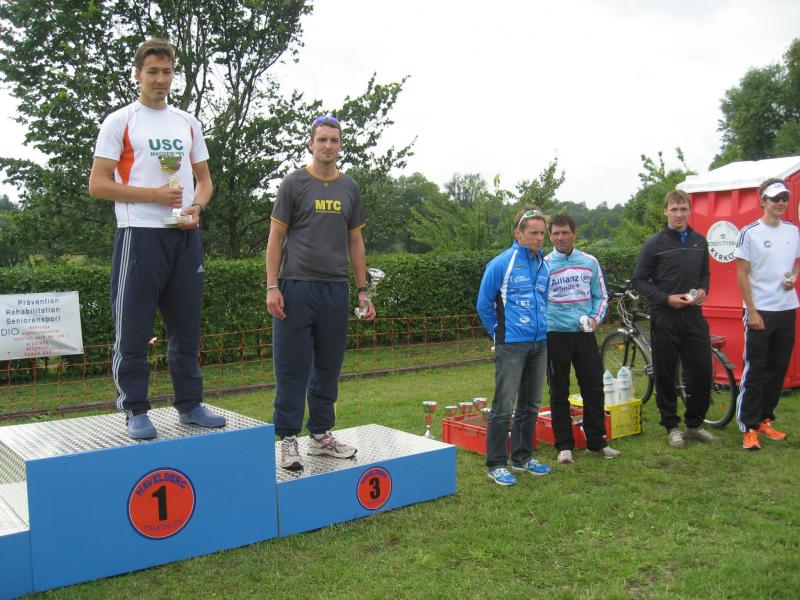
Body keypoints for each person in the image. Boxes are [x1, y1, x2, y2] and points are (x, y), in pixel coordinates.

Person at [88, 38, 225, 439]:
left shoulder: (187, 122)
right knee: (132, 329)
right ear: (138, 75)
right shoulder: (120, 121)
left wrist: (196, 207)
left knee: (186, 329)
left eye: (167, 72)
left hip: (184, 236)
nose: (160, 79)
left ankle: (190, 404)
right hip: (139, 235)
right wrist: (154, 196)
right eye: (152, 72)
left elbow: (204, 181)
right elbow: (98, 184)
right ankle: (134, 408)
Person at [266, 115, 375, 471]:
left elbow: (355, 242)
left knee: (328, 367)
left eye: (334, 140)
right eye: (322, 139)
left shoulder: (350, 188)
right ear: (311, 143)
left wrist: (362, 291)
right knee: (292, 368)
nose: (328, 145)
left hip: (334, 289)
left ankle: (321, 434)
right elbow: (276, 238)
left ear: (341, 145)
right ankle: (288, 438)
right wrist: (272, 286)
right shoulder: (293, 183)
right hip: (295, 287)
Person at [632, 189, 717, 448]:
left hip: (693, 317)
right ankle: (671, 426)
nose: (679, 214)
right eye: (674, 209)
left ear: (689, 210)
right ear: (665, 211)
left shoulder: (699, 241)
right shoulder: (654, 244)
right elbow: (639, 280)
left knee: (702, 371)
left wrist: (703, 290)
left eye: (683, 209)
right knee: (665, 373)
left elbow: (705, 274)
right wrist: (666, 298)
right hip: (665, 317)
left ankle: (694, 425)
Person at [477, 207, 552, 486]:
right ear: (518, 233)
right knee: (503, 406)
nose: (539, 238)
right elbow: (484, 305)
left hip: (539, 343)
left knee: (530, 405)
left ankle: (522, 458)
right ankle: (496, 464)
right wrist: (499, 335)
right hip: (511, 345)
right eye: (533, 233)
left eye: (542, 233)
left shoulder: (544, 265)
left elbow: (543, 302)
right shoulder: (501, 263)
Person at [545, 213, 620, 464]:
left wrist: (595, 318)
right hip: (555, 335)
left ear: (574, 234)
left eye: (565, 232)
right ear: (550, 236)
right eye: (555, 233)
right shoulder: (544, 265)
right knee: (559, 390)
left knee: (593, 388)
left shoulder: (590, 262)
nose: (560, 237)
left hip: (584, 334)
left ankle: (597, 442)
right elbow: (538, 300)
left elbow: (601, 296)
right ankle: (564, 446)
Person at [734, 178, 799, 450]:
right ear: (763, 201)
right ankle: (748, 426)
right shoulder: (750, 233)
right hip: (760, 310)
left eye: (784, 198)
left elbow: (796, 262)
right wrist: (752, 310)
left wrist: (793, 277)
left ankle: (765, 420)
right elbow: (741, 272)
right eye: (775, 199)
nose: (780, 203)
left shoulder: (793, 231)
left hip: (786, 308)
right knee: (756, 369)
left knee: (777, 367)